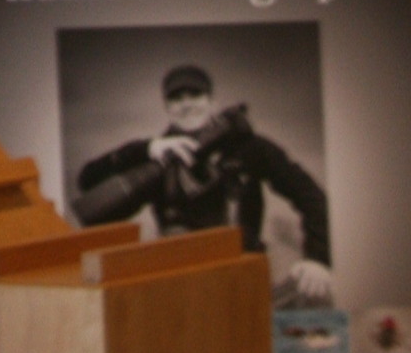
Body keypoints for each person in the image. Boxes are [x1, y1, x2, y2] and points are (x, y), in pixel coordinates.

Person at [72, 60, 335, 303]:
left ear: (211, 101)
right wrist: (145, 149)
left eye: (195, 95)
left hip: (244, 278)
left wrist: (318, 259)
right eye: (176, 98)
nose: (186, 104)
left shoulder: (249, 148)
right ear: (167, 108)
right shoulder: (158, 160)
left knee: (315, 299)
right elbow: (88, 182)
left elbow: (311, 196)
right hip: (179, 287)